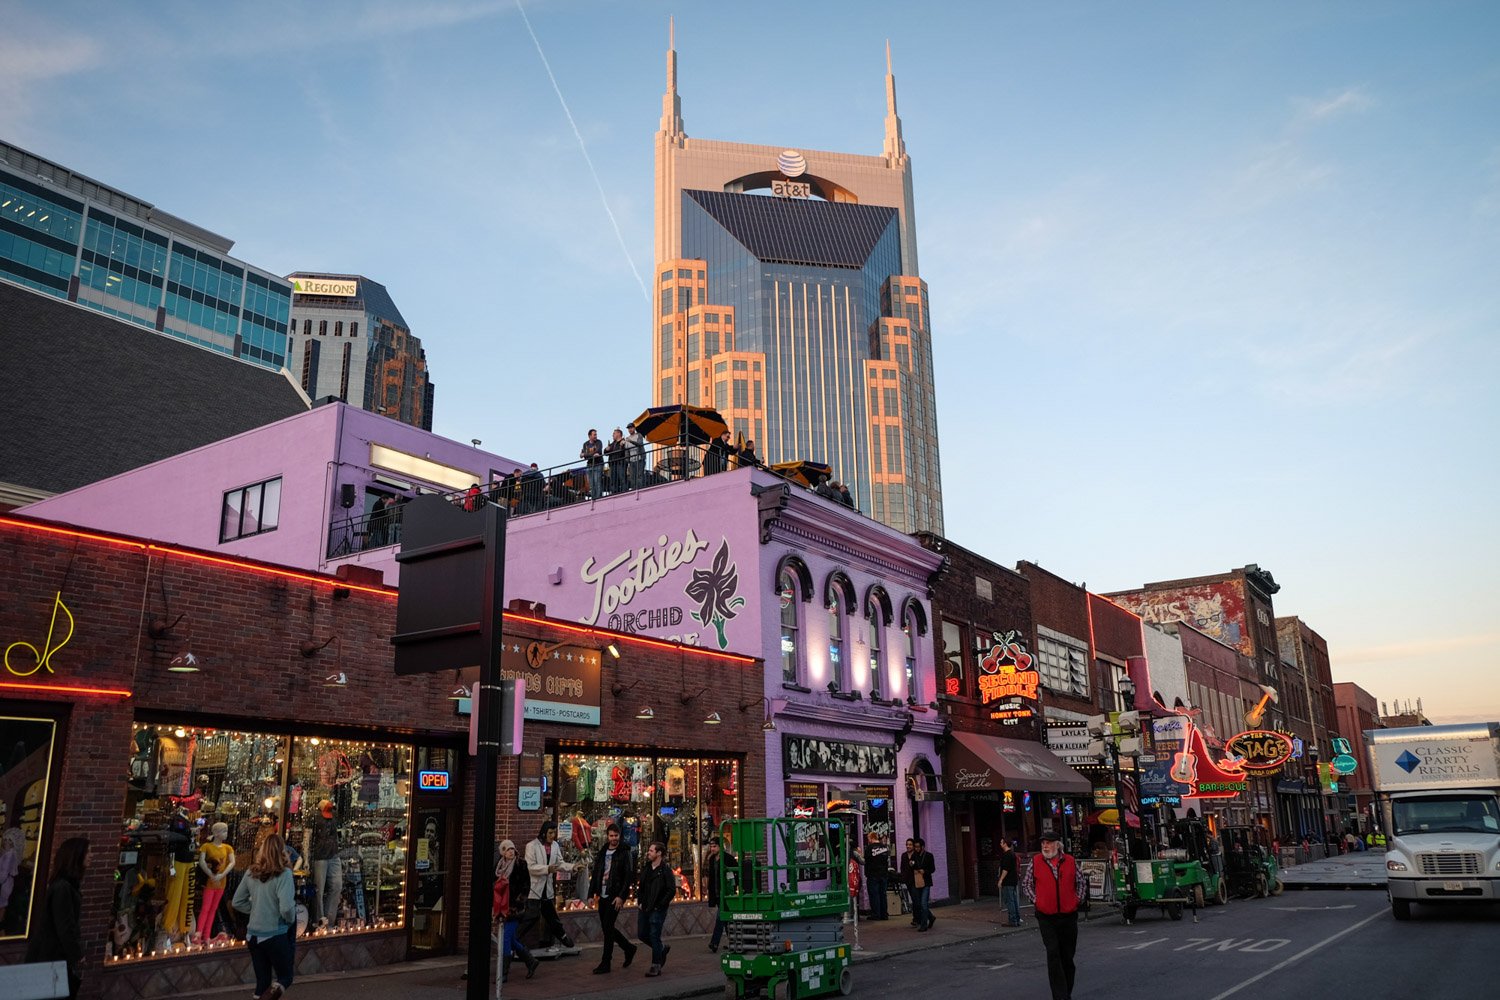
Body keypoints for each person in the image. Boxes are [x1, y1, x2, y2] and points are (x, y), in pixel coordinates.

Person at [1022, 830, 1088, 1000]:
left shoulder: (1070, 861)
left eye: (1049, 843)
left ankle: (1066, 992)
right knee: (1053, 953)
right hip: (1046, 916)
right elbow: (1027, 884)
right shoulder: (1035, 862)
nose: (1045, 846)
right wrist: (1037, 900)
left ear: (1058, 845)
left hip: (1068, 916)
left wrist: (1077, 900)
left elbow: (1081, 882)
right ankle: (1060, 997)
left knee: (1067, 957)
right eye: (1043, 843)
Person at [232, 832, 296, 1000]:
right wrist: (289, 920)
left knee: (262, 982)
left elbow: (237, 902)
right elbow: (287, 908)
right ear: (282, 850)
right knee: (285, 977)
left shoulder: (252, 872)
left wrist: (256, 909)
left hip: (253, 934)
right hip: (275, 933)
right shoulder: (284, 874)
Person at [26, 836, 88, 1000]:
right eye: (88, 852)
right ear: (77, 856)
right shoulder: (63, 888)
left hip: (53, 957)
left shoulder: (66, 885)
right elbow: (65, 926)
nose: (91, 856)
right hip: (51, 957)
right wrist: (76, 953)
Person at [588, 823, 638, 973]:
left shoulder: (624, 852)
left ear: (620, 836)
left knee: (608, 927)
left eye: (616, 836)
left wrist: (621, 896)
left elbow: (628, 876)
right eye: (611, 836)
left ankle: (606, 962)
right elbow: (596, 872)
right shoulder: (603, 851)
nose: (614, 838)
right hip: (602, 895)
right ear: (607, 836)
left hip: (614, 895)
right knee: (607, 928)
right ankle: (629, 948)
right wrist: (591, 894)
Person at [523, 820, 576, 951]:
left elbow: (560, 863)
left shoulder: (555, 846)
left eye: (554, 833)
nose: (553, 835)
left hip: (547, 889)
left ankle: (562, 937)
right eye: (550, 832)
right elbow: (530, 867)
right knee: (531, 917)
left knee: (552, 917)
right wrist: (547, 869)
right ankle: (514, 941)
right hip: (535, 889)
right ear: (544, 833)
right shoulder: (532, 846)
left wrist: (573, 867)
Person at [494, 840, 540, 982]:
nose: (511, 852)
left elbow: (526, 886)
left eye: (512, 849)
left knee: (506, 939)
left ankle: (503, 973)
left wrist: (518, 903)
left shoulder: (520, 864)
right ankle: (530, 961)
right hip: (502, 906)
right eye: (508, 849)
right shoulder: (499, 867)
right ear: (503, 852)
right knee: (512, 939)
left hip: (515, 909)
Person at [636, 840, 675, 977]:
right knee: (642, 934)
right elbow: (641, 887)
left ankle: (655, 965)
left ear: (659, 853)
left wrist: (661, 905)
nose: (648, 852)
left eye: (651, 851)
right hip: (645, 906)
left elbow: (671, 890)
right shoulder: (647, 868)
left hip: (657, 908)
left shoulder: (665, 870)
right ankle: (661, 948)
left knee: (654, 934)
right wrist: (640, 901)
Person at [704, 836, 728, 949]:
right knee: (726, 920)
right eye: (711, 846)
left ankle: (714, 942)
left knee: (721, 917)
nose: (712, 849)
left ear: (720, 846)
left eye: (714, 846)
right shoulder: (711, 859)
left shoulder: (727, 858)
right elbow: (712, 876)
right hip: (717, 893)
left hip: (726, 893)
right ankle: (733, 942)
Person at [862, 832, 890, 921]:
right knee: (883, 894)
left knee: (874, 895)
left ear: (871, 838)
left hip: (873, 874)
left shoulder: (869, 848)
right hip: (883, 874)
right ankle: (884, 914)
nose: (868, 840)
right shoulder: (884, 847)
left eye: (868, 838)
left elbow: (865, 859)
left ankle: (876, 914)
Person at [909, 837, 936, 930]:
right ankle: (931, 917)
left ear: (922, 847)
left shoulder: (929, 856)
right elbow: (911, 866)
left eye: (918, 847)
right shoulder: (914, 856)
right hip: (917, 881)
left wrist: (925, 871)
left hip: (926, 882)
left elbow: (933, 869)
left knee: (924, 903)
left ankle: (924, 925)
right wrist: (912, 865)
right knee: (919, 903)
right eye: (915, 847)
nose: (916, 849)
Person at [998, 838, 1022, 926]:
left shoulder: (1007, 855)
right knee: (1014, 900)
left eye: (1001, 842)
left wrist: (1000, 880)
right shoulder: (1012, 854)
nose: (1000, 844)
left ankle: (1012, 920)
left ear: (1005, 844)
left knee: (1009, 901)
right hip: (1013, 880)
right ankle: (1017, 919)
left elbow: (1005, 869)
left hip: (1008, 881)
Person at [580, 429, 604, 499]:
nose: (596, 436)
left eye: (596, 434)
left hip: (598, 464)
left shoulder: (599, 442)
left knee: (597, 482)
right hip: (589, 465)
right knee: (591, 484)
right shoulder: (585, 444)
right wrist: (590, 455)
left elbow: (598, 451)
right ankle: (593, 498)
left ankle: (599, 498)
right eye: (594, 435)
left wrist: (586, 454)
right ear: (589, 436)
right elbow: (585, 456)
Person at [898, 837, 917, 920]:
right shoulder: (904, 855)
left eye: (910, 845)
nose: (908, 846)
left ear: (913, 846)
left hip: (916, 880)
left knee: (916, 900)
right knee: (914, 899)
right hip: (908, 881)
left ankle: (916, 918)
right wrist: (903, 877)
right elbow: (902, 867)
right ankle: (926, 917)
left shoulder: (916, 855)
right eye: (907, 844)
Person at [605, 428, 627, 494]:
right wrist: (606, 449)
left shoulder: (623, 442)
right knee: (613, 480)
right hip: (612, 464)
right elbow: (605, 453)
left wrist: (622, 446)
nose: (612, 435)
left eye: (614, 433)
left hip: (620, 463)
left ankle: (625, 492)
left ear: (619, 434)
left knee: (622, 478)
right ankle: (614, 493)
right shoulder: (612, 444)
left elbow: (624, 452)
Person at [624, 423, 648, 488]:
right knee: (632, 477)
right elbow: (627, 450)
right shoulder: (627, 438)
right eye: (629, 428)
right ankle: (634, 490)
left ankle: (640, 489)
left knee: (639, 475)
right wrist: (627, 460)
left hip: (639, 459)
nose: (630, 429)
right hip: (631, 461)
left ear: (634, 428)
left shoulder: (639, 435)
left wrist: (630, 441)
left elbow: (640, 444)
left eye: (631, 428)